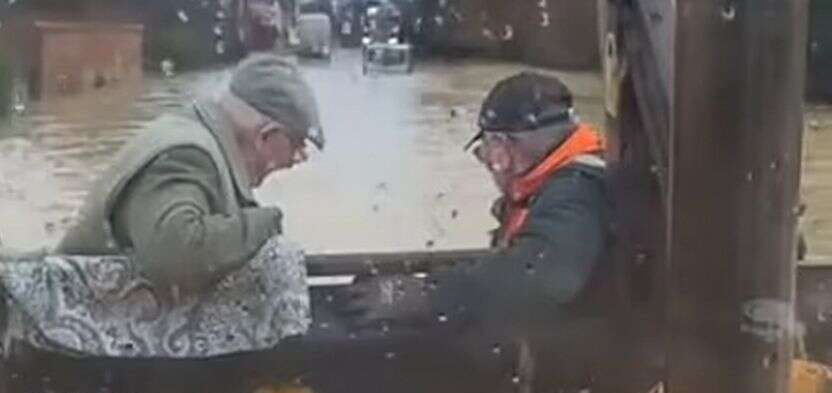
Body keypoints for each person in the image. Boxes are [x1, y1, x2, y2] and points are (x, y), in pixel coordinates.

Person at [340, 72, 612, 340]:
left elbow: (537, 278)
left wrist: (424, 295)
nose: (491, 167)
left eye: (489, 152)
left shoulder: (578, 190)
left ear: (504, 148)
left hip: (582, 367)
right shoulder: (558, 183)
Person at [56, 54, 324, 296]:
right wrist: (268, 222)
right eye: (297, 142)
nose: (299, 157)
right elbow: (176, 255)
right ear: (266, 136)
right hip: (76, 339)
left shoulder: (198, 134)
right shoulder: (189, 155)